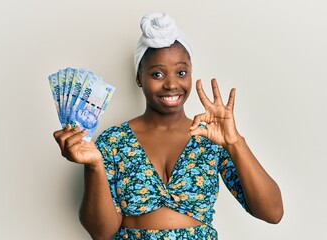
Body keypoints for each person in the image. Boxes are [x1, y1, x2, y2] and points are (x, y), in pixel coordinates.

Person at [53, 12, 283, 240]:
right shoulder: (113, 141)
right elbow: (101, 233)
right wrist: (94, 166)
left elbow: (272, 213)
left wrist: (235, 143)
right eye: (157, 74)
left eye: (181, 72)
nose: (172, 84)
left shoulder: (211, 138)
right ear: (139, 77)